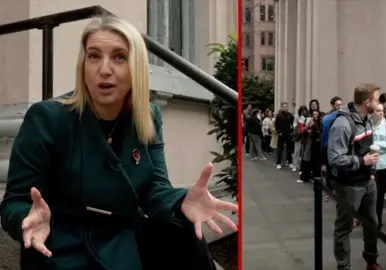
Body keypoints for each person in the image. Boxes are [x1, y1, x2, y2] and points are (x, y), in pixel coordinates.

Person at [0, 16, 238, 270]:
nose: (104, 69)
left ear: (136, 67)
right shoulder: (47, 119)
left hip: (124, 238)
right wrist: (27, 218)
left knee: (187, 231)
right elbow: (14, 201)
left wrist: (181, 201)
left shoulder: (147, 117)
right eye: (94, 56)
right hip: (63, 243)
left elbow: (154, 189)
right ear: (83, 67)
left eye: (119, 57)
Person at [327, 83, 382, 270]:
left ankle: (371, 260)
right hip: (349, 185)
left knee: (372, 223)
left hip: (367, 181)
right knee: (344, 227)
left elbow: (369, 148)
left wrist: (371, 173)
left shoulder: (367, 118)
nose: (378, 102)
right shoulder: (343, 124)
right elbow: (334, 158)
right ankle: (344, 267)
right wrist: (362, 162)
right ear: (367, 101)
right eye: (376, 99)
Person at [371, 104, 386, 230]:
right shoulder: (368, 126)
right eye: (378, 111)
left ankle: (378, 219)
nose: (381, 113)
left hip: (384, 165)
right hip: (371, 165)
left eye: (382, 111)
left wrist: (377, 146)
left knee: (380, 195)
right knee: (371, 195)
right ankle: (371, 218)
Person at [275, 102, 294, 169]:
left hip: (288, 134)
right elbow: (276, 125)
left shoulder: (290, 115)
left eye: (286, 106)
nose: (285, 108)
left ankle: (290, 162)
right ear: (282, 107)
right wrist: (278, 132)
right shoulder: (279, 115)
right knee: (280, 149)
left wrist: (291, 132)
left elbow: (292, 125)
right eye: (284, 106)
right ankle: (278, 163)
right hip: (281, 134)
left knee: (289, 149)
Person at [292, 106, 308, 172]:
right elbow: (295, 126)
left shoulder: (307, 118)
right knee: (297, 151)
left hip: (305, 136)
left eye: (304, 111)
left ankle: (302, 166)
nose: (303, 112)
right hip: (298, 136)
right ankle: (295, 165)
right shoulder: (297, 118)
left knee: (304, 152)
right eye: (302, 111)